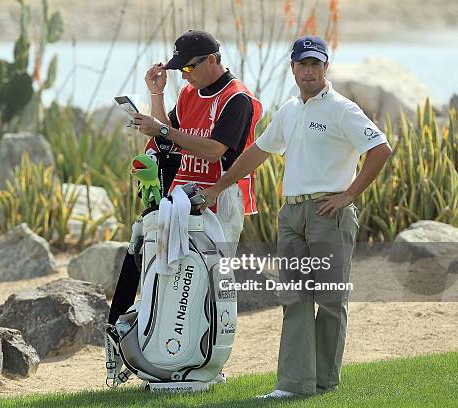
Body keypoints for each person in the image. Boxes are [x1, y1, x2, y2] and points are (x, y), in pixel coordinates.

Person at [200, 36, 392, 398]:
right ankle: (293, 384)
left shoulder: (341, 108)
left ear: (326, 68)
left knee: (331, 301)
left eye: (315, 65)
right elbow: (257, 152)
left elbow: (380, 149)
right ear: (292, 68)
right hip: (292, 215)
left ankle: (323, 382)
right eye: (303, 64)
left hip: (328, 214)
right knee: (295, 298)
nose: (309, 71)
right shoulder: (289, 110)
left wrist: (349, 195)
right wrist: (220, 186)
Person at [132, 29, 263, 252]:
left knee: (212, 275)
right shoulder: (189, 93)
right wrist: (157, 95)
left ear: (211, 60)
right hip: (182, 195)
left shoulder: (237, 98)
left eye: (188, 67)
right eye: (180, 69)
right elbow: (168, 137)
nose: (184, 75)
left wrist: (163, 130)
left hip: (220, 196)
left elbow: (214, 151)